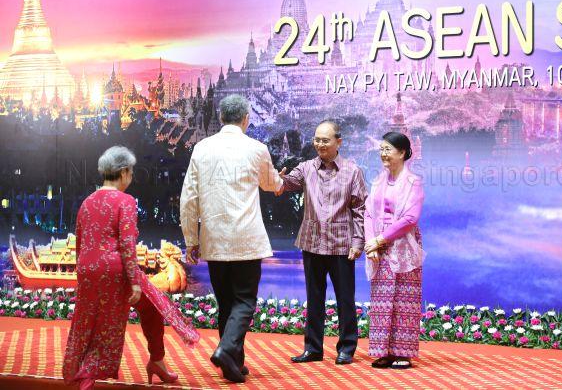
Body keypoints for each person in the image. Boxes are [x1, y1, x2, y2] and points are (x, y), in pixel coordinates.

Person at [63, 146, 200, 390]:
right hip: (117, 270)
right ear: (124, 171)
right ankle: (86, 378)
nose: (132, 177)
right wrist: (134, 281)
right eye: (131, 172)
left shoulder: (87, 202)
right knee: (111, 324)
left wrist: (81, 273)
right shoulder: (125, 201)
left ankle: (157, 362)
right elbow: (127, 244)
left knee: (102, 318)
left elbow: (80, 241)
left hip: (87, 269)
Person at [180, 94, 283, 383]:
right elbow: (270, 183)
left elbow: (188, 198)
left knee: (226, 302)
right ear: (246, 119)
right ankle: (226, 349)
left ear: (221, 117)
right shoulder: (257, 148)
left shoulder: (201, 148)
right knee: (245, 301)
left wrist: (191, 239)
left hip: (214, 239)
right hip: (246, 240)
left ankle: (233, 362)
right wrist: (280, 181)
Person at [278, 120, 367, 365]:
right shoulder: (306, 168)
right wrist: (277, 180)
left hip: (341, 244)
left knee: (345, 299)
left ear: (339, 142)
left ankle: (347, 347)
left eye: (325, 140)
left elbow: (360, 209)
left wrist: (358, 241)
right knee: (314, 297)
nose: (319, 144)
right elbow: (286, 183)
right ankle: (313, 348)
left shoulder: (352, 171)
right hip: (312, 242)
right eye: (316, 139)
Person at [364, 132, 424, 369]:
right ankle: (384, 351)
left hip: (402, 245)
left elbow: (410, 218)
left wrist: (380, 238)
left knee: (403, 298)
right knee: (382, 298)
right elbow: (368, 213)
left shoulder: (413, 182)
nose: (383, 154)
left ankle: (403, 352)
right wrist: (371, 243)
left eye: (388, 149)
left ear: (402, 153)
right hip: (379, 246)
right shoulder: (378, 181)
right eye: (381, 149)